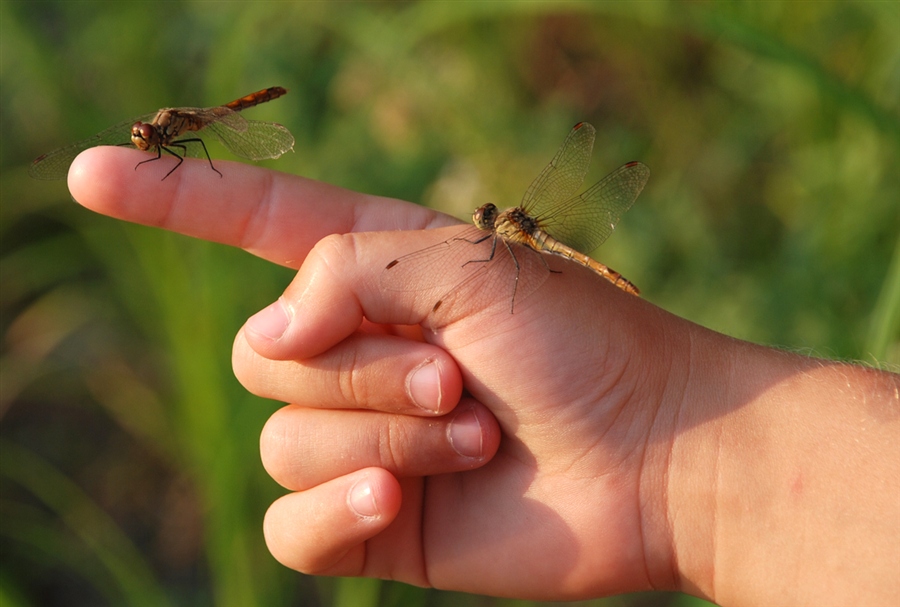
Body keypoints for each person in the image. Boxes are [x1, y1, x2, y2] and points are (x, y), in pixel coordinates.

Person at [68, 147, 899, 606]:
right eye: (484, 225)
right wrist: (658, 448)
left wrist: (660, 437)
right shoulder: (501, 245)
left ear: (496, 224)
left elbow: (499, 271)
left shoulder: (505, 253)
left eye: (484, 225)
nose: (481, 228)